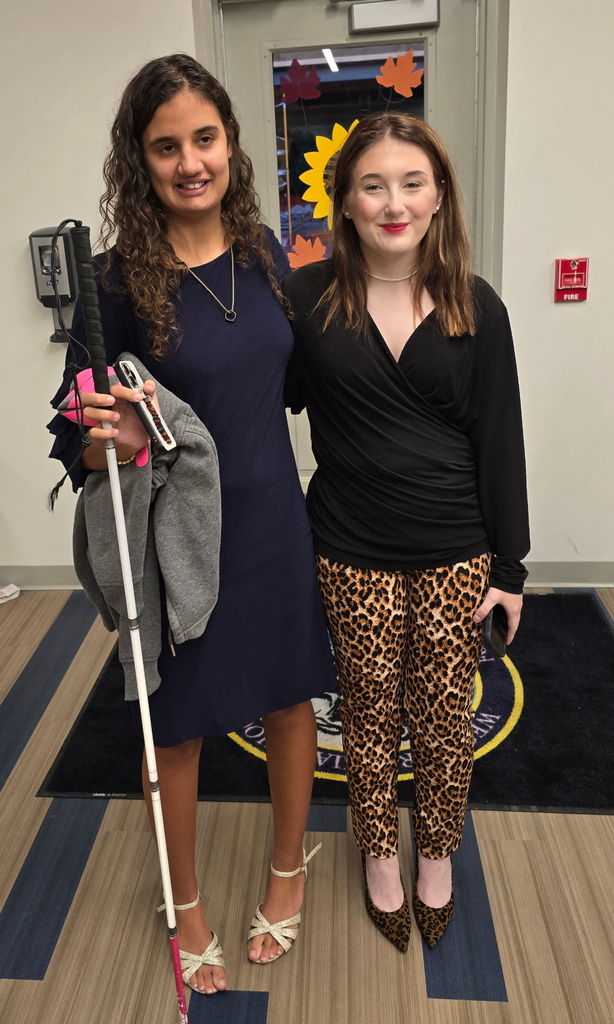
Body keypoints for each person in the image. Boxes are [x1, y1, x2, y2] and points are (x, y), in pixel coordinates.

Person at [48, 53, 336, 993]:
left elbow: (291, 387)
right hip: (179, 543)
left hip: (274, 523)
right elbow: (77, 443)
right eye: (165, 147)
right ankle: (189, 907)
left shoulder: (264, 254)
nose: (189, 163)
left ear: (231, 144)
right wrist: (116, 436)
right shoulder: (113, 285)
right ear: (141, 161)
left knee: (291, 703)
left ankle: (288, 874)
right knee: (174, 731)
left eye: (203, 139)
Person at [284, 112, 529, 952]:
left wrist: (513, 566)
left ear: (438, 197)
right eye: (373, 185)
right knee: (368, 710)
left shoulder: (475, 304)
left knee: (443, 714)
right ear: (344, 202)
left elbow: (501, 440)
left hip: (457, 550)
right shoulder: (306, 299)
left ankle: (437, 854)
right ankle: (380, 856)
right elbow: (250, 396)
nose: (393, 203)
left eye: (411, 183)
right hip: (350, 547)